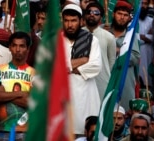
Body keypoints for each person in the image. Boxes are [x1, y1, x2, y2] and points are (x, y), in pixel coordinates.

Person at [62, 4, 102, 138]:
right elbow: (52, 67)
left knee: (83, 131)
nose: (70, 25)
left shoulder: (92, 40)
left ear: (81, 21)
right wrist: (82, 60)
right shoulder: (54, 41)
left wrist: (65, 67)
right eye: (66, 20)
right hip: (62, 93)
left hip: (86, 94)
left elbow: (95, 65)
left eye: (73, 21)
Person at [0, 31, 35, 140]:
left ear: (28, 49)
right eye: (14, 45)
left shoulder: (35, 74)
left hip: (25, 131)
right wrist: (22, 93)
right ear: (9, 47)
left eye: (22, 46)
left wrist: (3, 93)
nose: (17, 49)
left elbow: (32, 103)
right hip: (2, 129)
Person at [108, 0, 140, 111]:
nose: (122, 17)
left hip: (123, 82)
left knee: (121, 115)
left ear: (129, 18)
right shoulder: (103, 31)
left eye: (125, 15)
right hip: (105, 79)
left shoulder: (131, 36)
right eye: (119, 14)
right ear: (113, 14)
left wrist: (117, 50)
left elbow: (135, 58)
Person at [82, 1, 116, 100]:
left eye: (96, 12)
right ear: (85, 15)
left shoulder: (109, 37)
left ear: (101, 17)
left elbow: (111, 62)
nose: (92, 15)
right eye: (89, 12)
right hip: (82, 81)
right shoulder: (77, 35)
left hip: (102, 83)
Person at [138, 0, 154, 89]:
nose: (143, 6)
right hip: (138, 50)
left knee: (148, 77)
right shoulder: (132, 21)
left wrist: (142, 37)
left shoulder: (152, 21)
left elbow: (153, 37)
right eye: (141, 4)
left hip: (149, 51)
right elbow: (134, 37)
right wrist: (145, 37)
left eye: (145, 4)